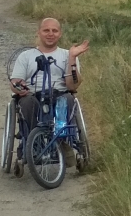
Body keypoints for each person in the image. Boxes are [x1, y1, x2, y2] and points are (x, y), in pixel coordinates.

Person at [9, 18, 89, 170]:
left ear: (60, 34)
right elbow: (15, 81)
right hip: (33, 94)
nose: (50, 34)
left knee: (67, 100)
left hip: (59, 93)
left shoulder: (68, 55)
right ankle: (34, 143)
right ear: (39, 32)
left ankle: (62, 141)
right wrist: (19, 87)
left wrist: (72, 59)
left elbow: (72, 85)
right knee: (26, 103)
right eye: (46, 30)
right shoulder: (26, 56)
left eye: (54, 31)